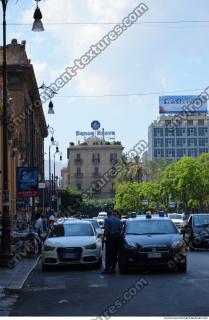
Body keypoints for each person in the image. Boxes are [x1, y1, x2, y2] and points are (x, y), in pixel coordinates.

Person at [102, 210, 123, 274]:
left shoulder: (107, 220)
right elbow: (120, 230)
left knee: (108, 254)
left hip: (110, 238)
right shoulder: (119, 220)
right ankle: (113, 269)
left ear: (107, 214)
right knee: (114, 254)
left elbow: (106, 230)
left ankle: (107, 269)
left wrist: (104, 237)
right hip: (117, 238)